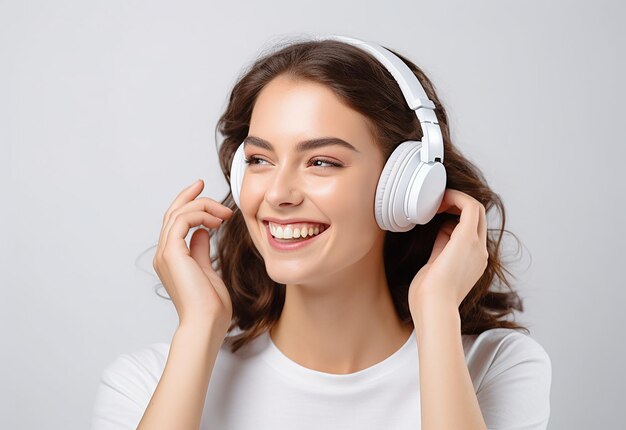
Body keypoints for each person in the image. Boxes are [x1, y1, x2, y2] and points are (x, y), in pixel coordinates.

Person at [91, 34, 552, 430]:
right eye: (259, 160)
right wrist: (198, 330)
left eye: (322, 162)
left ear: (407, 188)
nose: (278, 193)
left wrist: (436, 314)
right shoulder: (146, 382)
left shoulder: (495, 367)